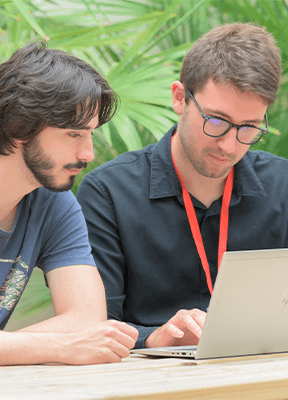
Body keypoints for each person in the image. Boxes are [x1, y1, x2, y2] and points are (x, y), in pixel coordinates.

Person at [77, 23, 284, 349]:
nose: (229, 146)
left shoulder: (283, 186)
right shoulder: (109, 193)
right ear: (179, 98)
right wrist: (154, 338)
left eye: (249, 128)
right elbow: (93, 326)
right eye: (216, 121)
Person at [0, 41, 138, 365]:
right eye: (74, 134)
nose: (88, 154)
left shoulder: (54, 203)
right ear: (20, 126)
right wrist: (57, 346)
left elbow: (89, 321)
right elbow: (77, 339)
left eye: (90, 134)